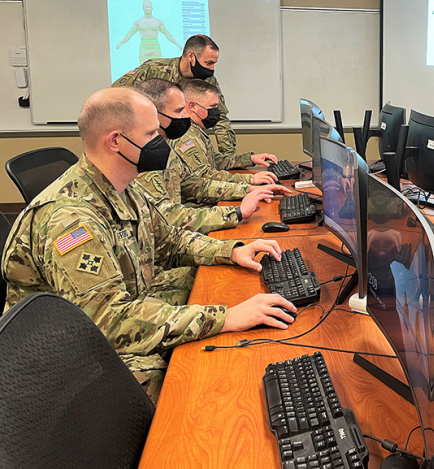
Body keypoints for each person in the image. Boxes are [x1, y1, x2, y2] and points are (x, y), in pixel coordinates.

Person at [1, 88, 297, 404]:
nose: (161, 142)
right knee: (191, 389)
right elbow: (109, 320)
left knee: (207, 290)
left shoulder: (122, 187)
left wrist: (231, 251)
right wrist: (224, 318)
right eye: (151, 133)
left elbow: (169, 240)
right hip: (63, 358)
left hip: (115, 312)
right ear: (115, 141)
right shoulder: (71, 221)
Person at [133, 78, 291, 234]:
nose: (185, 115)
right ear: (153, 113)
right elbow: (168, 218)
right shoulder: (144, 157)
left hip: (181, 233)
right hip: (182, 229)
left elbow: (195, 185)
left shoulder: (166, 147)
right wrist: (236, 212)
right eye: (179, 110)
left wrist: (248, 189)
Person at [113, 34, 257, 163]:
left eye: (214, 63)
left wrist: (230, 158)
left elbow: (220, 120)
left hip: (184, 148)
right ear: (191, 56)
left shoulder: (208, 81)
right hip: (149, 145)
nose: (212, 69)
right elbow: (115, 96)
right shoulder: (154, 69)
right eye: (208, 63)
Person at [172, 80, 276, 180]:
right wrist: (250, 179)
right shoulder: (187, 136)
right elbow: (204, 177)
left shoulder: (196, 131)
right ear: (193, 106)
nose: (216, 112)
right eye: (212, 106)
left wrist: (250, 159)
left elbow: (215, 161)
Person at [115, 0, 182, 64]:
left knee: (158, 69)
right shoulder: (139, 22)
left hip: (155, 49)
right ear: (143, 8)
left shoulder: (157, 22)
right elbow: (129, 34)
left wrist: (177, 44)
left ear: (152, 8)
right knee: (143, 70)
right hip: (144, 50)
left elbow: (167, 35)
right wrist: (120, 43)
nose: (148, 9)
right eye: (146, 7)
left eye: (149, 7)